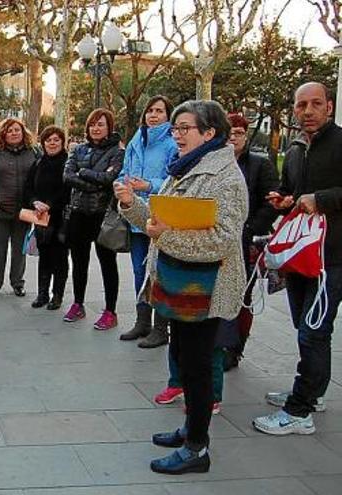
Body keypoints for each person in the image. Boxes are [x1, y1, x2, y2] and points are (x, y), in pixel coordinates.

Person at [116, 99, 247, 474]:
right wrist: (131, 204)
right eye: (175, 129)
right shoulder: (184, 166)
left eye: (183, 128)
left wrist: (166, 236)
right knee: (185, 363)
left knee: (198, 366)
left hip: (206, 287)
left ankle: (197, 448)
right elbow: (158, 220)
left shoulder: (225, 177)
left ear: (209, 133)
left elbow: (222, 239)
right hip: (179, 282)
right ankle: (191, 428)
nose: (176, 136)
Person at [253, 82, 342, 435]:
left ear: (329, 107)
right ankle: (313, 391)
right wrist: (285, 199)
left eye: (315, 103)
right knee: (308, 329)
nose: (307, 110)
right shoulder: (295, 149)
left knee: (313, 331)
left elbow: (320, 196)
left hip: (331, 257)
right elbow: (293, 192)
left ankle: (299, 411)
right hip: (299, 255)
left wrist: (320, 199)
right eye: (301, 104)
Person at [220, 113, 279, 368]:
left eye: (239, 133)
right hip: (222, 240)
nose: (234, 138)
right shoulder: (217, 164)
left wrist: (250, 229)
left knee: (242, 295)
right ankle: (220, 342)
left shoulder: (259, 164)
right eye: (229, 133)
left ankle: (235, 347)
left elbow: (270, 204)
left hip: (247, 240)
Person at [117, 96, 177, 345]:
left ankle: (161, 328)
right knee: (139, 271)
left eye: (159, 111)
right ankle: (142, 322)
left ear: (168, 115)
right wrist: (120, 184)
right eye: (150, 111)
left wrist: (148, 185)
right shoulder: (136, 140)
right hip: (135, 216)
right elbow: (125, 169)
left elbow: (176, 180)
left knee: (158, 272)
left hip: (160, 217)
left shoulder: (173, 143)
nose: (153, 115)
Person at [63, 108, 124, 330]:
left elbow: (110, 178)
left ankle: (110, 311)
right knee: (79, 262)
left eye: (100, 124)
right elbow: (67, 176)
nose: (96, 128)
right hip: (79, 213)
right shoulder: (78, 149)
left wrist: (84, 173)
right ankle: (78, 304)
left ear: (109, 127)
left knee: (107, 263)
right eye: (92, 124)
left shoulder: (117, 152)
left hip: (103, 214)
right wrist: (95, 181)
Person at [0, 118, 41, 298]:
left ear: (23, 132)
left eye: (17, 130)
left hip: (24, 211)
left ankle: (17, 283)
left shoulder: (34, 152)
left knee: (19, 250)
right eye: (9, 130)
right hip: (0, 210)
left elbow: (42, 177)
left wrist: (38, 201)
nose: (14, 133)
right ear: (3, 134)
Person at [23, 125, 70, 310]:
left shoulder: (68, 162)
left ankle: (57, 295)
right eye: (48, 140)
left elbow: (67, 190)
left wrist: (50, 204)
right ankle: (42, 293)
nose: (52, 143)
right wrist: (35, 202)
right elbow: (28, 188)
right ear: (43, 143)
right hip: (41, 218)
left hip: (61, 218)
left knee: (60, 257)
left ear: (62, 142)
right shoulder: (38, 163)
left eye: (56, 140)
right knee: (44, 256)